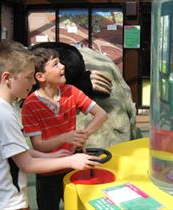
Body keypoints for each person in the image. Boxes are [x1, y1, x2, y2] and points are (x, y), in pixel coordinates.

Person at [0, 40, 102, 210]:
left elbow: (16, 152)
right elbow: (27, 164)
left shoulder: (2, 108)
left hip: (1, 197)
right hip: (5, 202)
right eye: (28, 77)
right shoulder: (2, 114)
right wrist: (71, 161)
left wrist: (53, 156)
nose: (31, 83)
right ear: (7, 78)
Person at [21, 47, 108, 210]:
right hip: (47, 172)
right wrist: (65, 138)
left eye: (60, 62)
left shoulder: (72, 91)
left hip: (74, 169)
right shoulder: (30, 105)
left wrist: (83, 135)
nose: (62, 66)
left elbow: (101, 115)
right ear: (40, 76)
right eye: (55, 64)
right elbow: (38, 145)